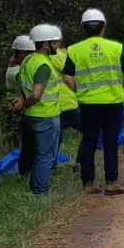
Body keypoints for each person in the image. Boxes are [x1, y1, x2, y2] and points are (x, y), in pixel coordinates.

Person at [62, 8, 124, 194]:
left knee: (89, 142)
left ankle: (88, 183)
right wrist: (123, 93)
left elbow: (67, 76)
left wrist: (79, 90)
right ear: (103, 27)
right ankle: (111, 183)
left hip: (87, 104)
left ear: (84, 28)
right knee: (111, 142)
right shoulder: (115, 48)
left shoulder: (74, 50)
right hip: (112, 103)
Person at [11, 24, 63, 196]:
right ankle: (40, 192)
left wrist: (23, 106)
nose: (57, 46)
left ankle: (35, 187)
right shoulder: (43, 65)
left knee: (39, 154)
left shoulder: (28, 60)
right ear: (45, 44)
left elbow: (21, 86)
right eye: (54, 43)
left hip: (33, 116)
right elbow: (37, 94)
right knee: (46, 156)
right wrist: (26, 104)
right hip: (45, 115)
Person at [5, 35, 38, 177]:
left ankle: (27, 171)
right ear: (21, 54)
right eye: (29, 53)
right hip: (23, 109)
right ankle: (26, 172)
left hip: (22, 107)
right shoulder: (18, 72)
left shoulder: (14, 67)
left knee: (30, 142)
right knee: (30, 143)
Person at [50, 35, 81, 164]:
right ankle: (81, 163)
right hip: (66, 102)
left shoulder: (60, 54)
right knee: (89, 130)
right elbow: (71, 73)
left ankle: (52, 167)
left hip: (57, 103)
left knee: (56, 138)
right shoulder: (57, 55)